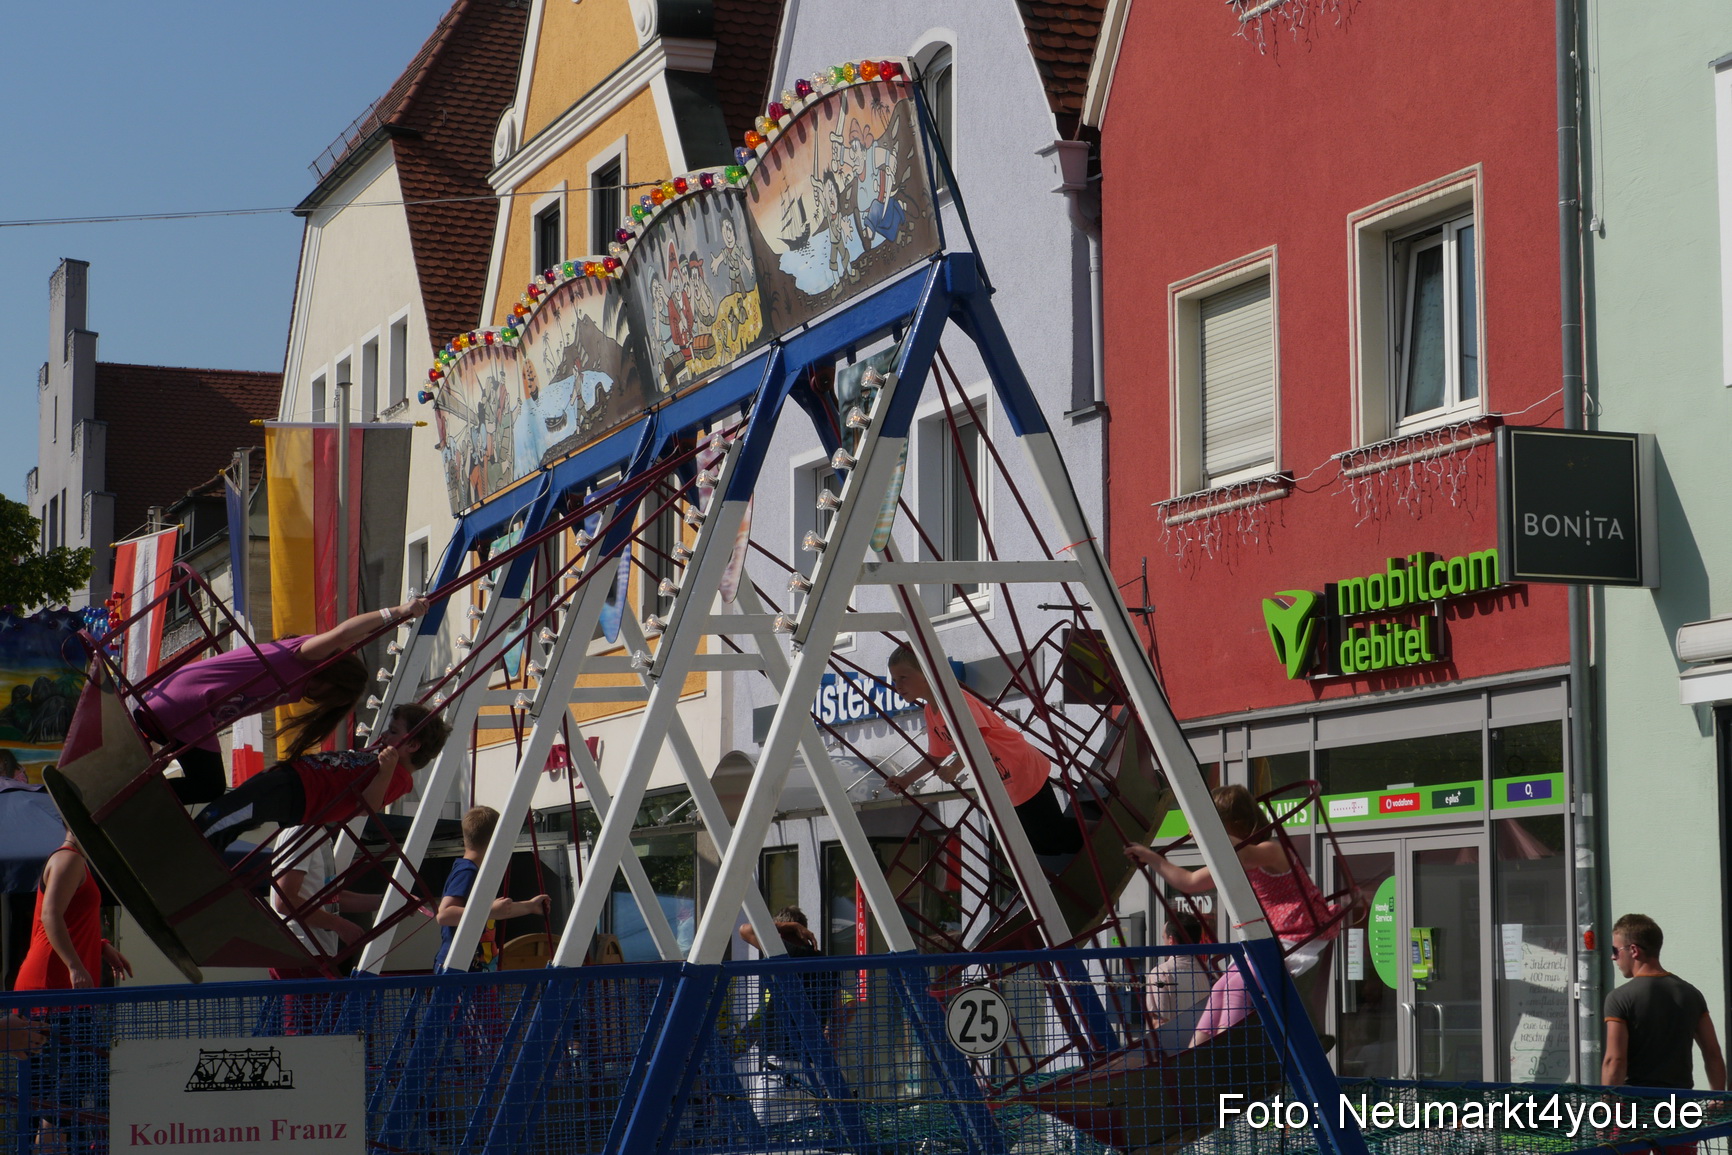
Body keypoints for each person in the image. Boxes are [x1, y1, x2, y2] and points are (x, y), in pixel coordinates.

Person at [136, 597, 429, 805]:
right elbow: (344, 633)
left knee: (205, 782)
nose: (317, 700)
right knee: (209, 786)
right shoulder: (304, 656)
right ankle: (140, 799)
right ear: (331, 673)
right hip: (187, 705)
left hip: (184, 705)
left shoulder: (298, 684)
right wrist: (399, 612)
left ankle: (143, 794)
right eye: (329, 695)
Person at [1125, 784, 1339, 1046]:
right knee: (1220, 987)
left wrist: (1209, 832)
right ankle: (1197, 1049)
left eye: (1219, 827)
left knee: (1239, 984)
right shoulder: (1236, 860)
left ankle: (1227, 1046)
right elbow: (1189, 881)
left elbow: (1247, 854)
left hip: (1297, 933)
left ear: (1236, 825)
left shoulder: (1272, 850)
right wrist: (1152, 858)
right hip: (1276, 937)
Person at [886, 644, 1084, 857]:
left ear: (927, 673)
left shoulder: (953, 699)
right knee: (1038, 845)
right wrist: (906, 779)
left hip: (1021, 767)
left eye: (903, 677)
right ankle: (1094, 837)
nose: (897, 685)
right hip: (1004, 780)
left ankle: (1104, 830)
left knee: (1051, 836)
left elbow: (976, 737)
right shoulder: (931, 711)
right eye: (895, 680)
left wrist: (954, 767)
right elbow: (937, 753)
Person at [194, 704, 450, 852]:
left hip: (300, 794)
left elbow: (368, 807)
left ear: (412, 746)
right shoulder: (384, 757)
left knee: (224, 816)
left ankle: (192, 850)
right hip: (293, 779)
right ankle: (199, 846)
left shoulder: (398, 776)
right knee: (235, 812)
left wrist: (385, 771)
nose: (384, 735)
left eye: (393, 731)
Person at [15, 832, 133, 1152]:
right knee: (71, 1079)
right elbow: (49, 915)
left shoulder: (76, 860)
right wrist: (75, 965)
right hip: (51, 989)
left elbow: (69, 919)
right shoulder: (69, 859)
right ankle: (48, 1142)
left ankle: (50, 1141)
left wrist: (101, 946)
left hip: (58, 991)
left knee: (70, 1081)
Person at [1602, 913, 1726, 1098]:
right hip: (1681, 1108)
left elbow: (1615, 1061)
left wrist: (1606, 1109)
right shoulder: (1691, 994)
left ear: (1634, 950)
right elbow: (1713, 1053)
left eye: (1615, 950)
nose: (1613, 957)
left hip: (1637, 1110)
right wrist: (1719, 1098)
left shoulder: (1619, 998)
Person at [433, 806, 551, 972]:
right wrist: (489, 911)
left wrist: (529, 906)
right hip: (460, 968)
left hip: (477, 967)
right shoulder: (467, 872)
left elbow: (499, 910)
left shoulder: (474, 871)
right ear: (497, 840)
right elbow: (444, 915)